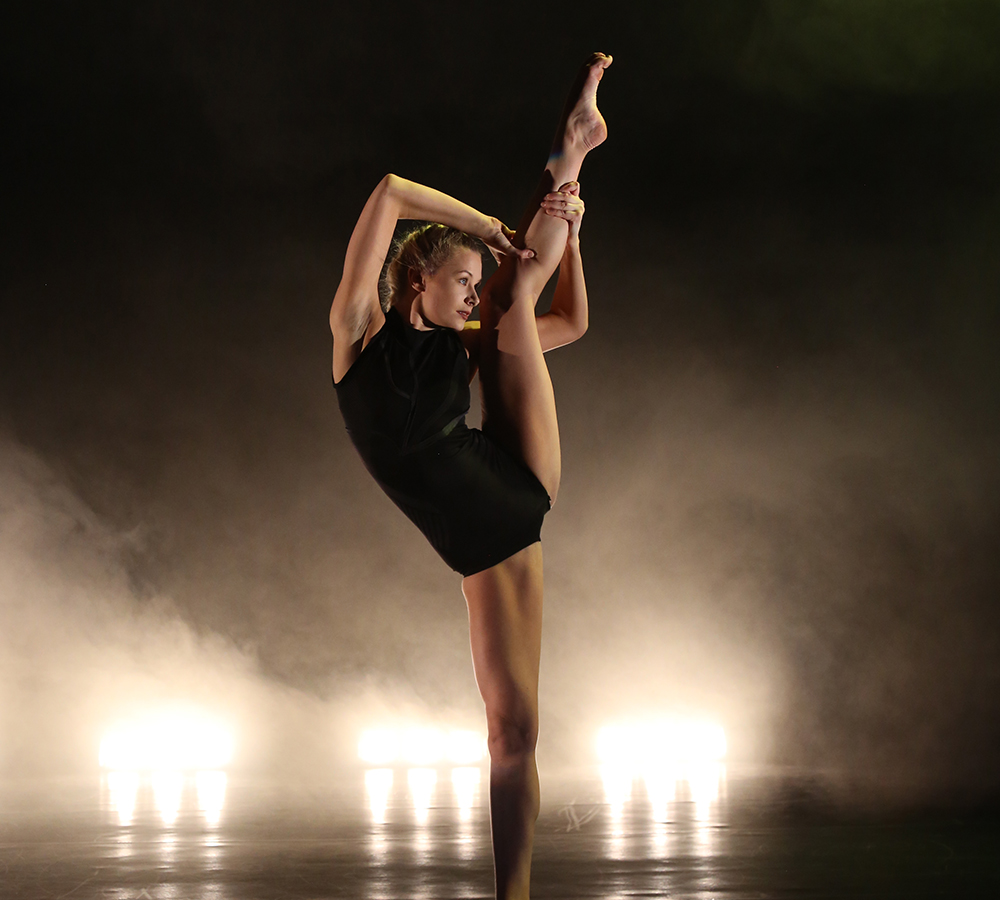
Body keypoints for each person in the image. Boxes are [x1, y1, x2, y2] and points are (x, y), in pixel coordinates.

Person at [330, 52, 611, 900]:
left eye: (473, 286)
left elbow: (572, 320)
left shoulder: (470, 342)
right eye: (461, 280)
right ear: (418, 274)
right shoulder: (357, 335)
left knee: (524, 298)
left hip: (507, 494)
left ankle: (572, 151)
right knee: (512, 731)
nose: (469, 295)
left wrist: (576, 243)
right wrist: (489, 225)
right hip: (481, 535)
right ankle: (573, 150)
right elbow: (387, 190)